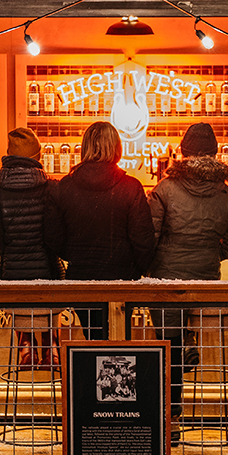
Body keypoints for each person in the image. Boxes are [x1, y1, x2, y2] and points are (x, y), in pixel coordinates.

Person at [147, 123, 228, 440]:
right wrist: (208, 255)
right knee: (181, 339)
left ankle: (171, 419)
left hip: (165, 281)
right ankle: (188, 345)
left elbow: (149, 237)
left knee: (166, 346)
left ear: (183, 151)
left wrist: (157, 260)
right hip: (205, 281)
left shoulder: (164, 189)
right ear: (216, 154)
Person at [47, 121, 156, 341]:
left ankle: (93, 374)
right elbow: (143, 239)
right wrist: (139, 270)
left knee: (93, 338)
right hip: (122, 280)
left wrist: (76, 255)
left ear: (85, 147)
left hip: (80, 279)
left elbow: (53, 238)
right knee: (118, 342)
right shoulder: (131, 187)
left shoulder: (64, 187)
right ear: (117, 148)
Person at [0, 127, 63, 368]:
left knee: (21, 309)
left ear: (8, 156)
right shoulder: (53, 190)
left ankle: (25, 347)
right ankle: (51, 350)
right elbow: (59, 239)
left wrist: (5, 258)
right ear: (38, 158)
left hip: (11, 282)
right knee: (49, 308)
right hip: (50, 279)